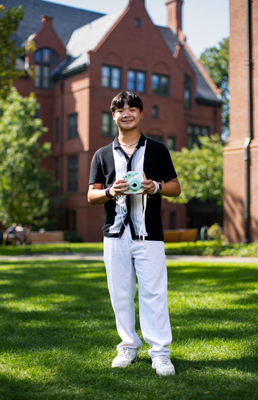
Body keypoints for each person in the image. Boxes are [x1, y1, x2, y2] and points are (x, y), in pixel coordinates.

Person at [87, 91, 181, 376]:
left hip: (149, 234)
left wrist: (155, 187)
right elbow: (91, 195)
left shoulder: (157, 150)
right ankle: (127, 345)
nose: (126, 113)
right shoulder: (102, 154)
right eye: (120, 109)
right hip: (114, 235)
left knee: (154, 293)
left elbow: (175, 187)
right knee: (120, 294)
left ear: (140, 114)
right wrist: (109, 191)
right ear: (113, 115)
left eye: (132, 109)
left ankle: (160, 353)